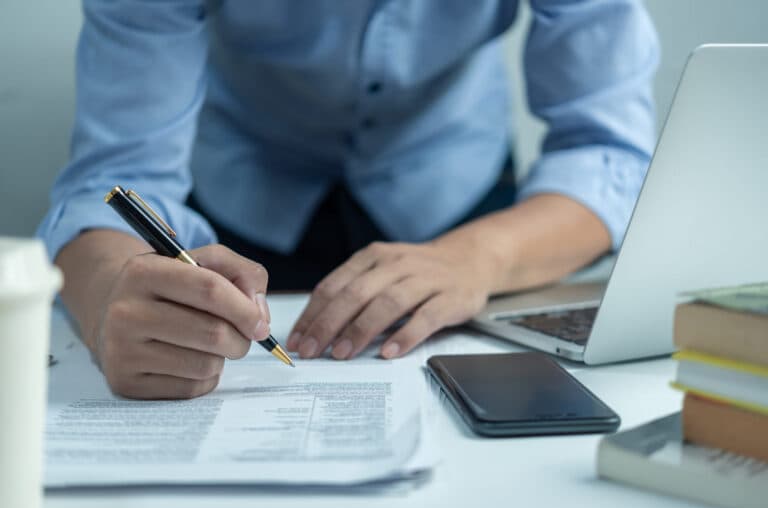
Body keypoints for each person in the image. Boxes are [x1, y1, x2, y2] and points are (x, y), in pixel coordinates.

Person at [38, 1, 658, 399]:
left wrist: (484, 258)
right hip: (238, 201)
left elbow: (610, 154)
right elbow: (116, 180)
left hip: (466, 203)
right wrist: (106, 300)